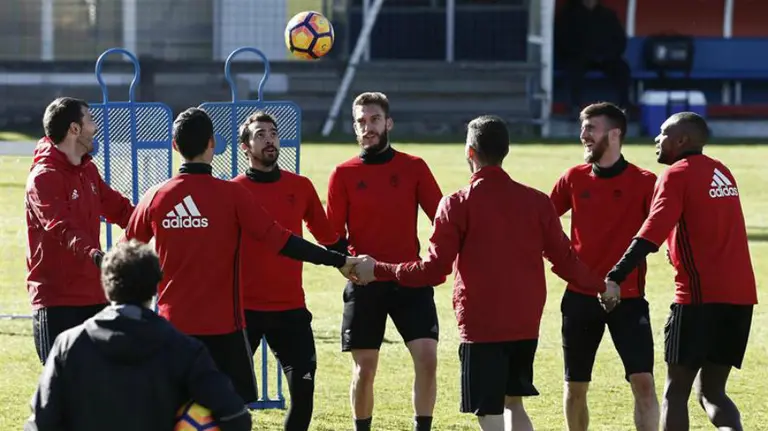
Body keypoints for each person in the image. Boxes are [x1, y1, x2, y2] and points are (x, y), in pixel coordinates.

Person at [352, 115, 616, 431]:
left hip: (481, 324)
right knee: (513, 403)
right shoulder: (536, 201)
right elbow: (566, 260)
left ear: (470, 153)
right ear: (505, 151)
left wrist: (378, 269)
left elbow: (434, 270)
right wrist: (602, 285)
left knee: (488, 411)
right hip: (524, 321)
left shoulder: (458, 203)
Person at [122, 107, 359, 405]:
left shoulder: (155, 196)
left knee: (177, 407)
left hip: (172, 325)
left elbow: (123, 257)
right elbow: (282, 241)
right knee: (228, 409)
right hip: (224, 327)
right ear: (212, 143)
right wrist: (339, 260)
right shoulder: (232, 194)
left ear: (174, 145)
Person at [605, 112, 758, 431]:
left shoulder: (677, 175)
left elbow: (651, 232)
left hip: (698, 300)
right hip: (741, 298)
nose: (656, 139)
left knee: (676, 392)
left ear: (681, 140)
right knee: (712, 392)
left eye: (663, 133)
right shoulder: (721, 171)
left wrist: (615, 275)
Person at [24, 239, 251, 431]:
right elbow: (235, 416)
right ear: (155, 287)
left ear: (106, 285)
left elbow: (40, 423)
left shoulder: (69, 344)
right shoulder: (184, 349)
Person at [326, 92, 444, 431]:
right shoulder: (343, 174)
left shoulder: (414, 167)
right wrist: (346, 265)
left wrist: (436, 259)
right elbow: (334, 236)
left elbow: (442, 218)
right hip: (365, 283)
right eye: (361, 122)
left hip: (409, 278)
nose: (368, 127)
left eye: (374, 120)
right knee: (364, 370)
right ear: (354, 127)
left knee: (428, 359)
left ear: (388, 123)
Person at [231, 111, 344, 431]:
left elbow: (328, 238)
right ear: (245, 146)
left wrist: (353, 259)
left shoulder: (301, 186)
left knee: (304, 396)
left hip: (290, 309)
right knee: (228, 398)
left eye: (273, 133)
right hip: (243, 311)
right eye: (260, 134)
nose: (269, 139)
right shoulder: (234, 191)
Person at [550, 102, 659, 431]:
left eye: (591, 128)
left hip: (629, 298)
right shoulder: (573, 178)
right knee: (575, 387)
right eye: (582, 127)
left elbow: (661, 231)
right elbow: (541, 221)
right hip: (580, 298)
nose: (583, 134)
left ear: (615, 134)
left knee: (643, 383)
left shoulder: (645, 181)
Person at [25, 96, 134, 365]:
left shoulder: (88, 170)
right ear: (75, 129)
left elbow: (121, 210)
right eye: (91, 120)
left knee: (104, 384)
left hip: (95, 296)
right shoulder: (43, 176)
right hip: (58, 300)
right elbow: (61, 227)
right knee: (64, 391)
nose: (95, 127)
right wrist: (96, 255)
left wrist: (158, 222)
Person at [555, 0, 631, 113]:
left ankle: (624, 106)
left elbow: (619, 40)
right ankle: (574, 107)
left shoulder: (607, 14)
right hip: (578, 56)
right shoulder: (569, 14)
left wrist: (607, 54)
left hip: (605, 57)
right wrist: (581, 53)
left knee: (622, 68)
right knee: (573, 69)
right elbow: (563, 40)